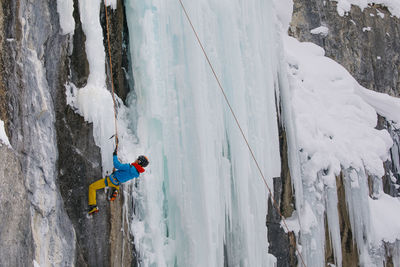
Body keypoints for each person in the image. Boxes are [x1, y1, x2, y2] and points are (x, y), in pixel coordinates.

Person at [88, 149, 149, 215]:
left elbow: (117, 165)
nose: (136, 159)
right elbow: (124, 175)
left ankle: (93, 207)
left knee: (92, 187)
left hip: (110, 180)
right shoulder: (136, 173)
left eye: (138, 159)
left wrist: (114, 155)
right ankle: (115, 189)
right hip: (117, 182)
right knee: (116, 182)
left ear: (139, 162)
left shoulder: (129, 167)